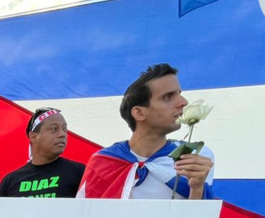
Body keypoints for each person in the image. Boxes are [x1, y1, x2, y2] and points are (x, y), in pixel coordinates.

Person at [79, 63, 215, 200]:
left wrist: (197, 188)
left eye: (179, 94)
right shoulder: (103, 161)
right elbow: (85, 216)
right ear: (139, 113)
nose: (183, 102)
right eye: (167, 97)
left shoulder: (195, 155)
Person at [0, 108, 85, 199]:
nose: (62, 134)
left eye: (64, 129)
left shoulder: (80, 173)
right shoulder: (10, 181)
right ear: (33, 137)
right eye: (54, 129)